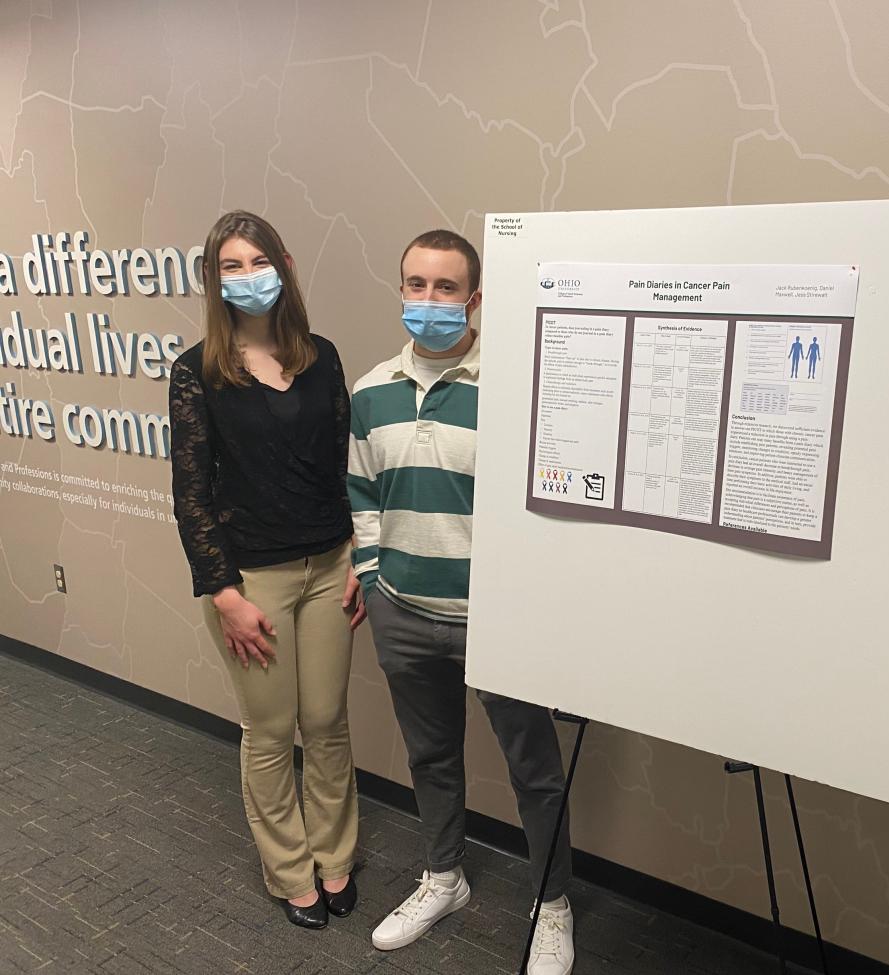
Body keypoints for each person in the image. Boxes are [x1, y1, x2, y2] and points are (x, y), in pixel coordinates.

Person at [349, 230, 576, 973]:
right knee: (432, 755)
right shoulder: (371, 388)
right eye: (415, 284)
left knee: (535, 772)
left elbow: (542, 502)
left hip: (495, 621)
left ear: (474, 300)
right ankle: (445, 877)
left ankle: (553, 903)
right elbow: (360, 492)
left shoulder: (513, 386)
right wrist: (374, 575)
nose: (428, 301)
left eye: (446, 288)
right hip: (404, 613)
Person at [169, 210, 365, 930]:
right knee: (272, 727)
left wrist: (360, 557)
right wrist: (222, 592)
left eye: (257, 260)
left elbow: (349, 466)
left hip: (331, 564)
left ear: (283, 262)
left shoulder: (322, 356)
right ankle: (290, 869)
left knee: (327, 719)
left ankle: (336, 852)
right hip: (252, 579)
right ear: (214, 280)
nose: (247, 276)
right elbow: (190, 493)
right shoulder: (197, 372)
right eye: (231, 265)